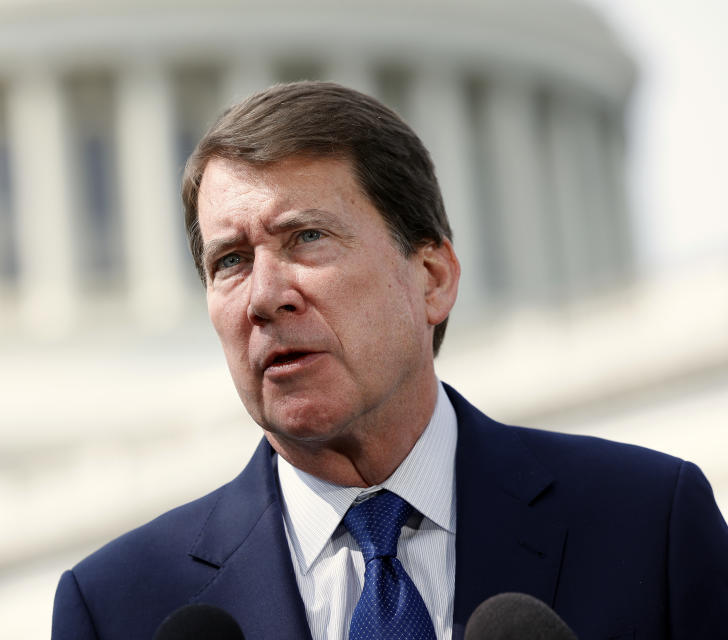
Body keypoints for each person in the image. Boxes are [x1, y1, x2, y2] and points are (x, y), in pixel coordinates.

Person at [52, 81, 728, 639]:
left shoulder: (647, 527)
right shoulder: (116, 609)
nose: (263, 297)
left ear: (432, 277)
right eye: (229, 261)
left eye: (307, 237)